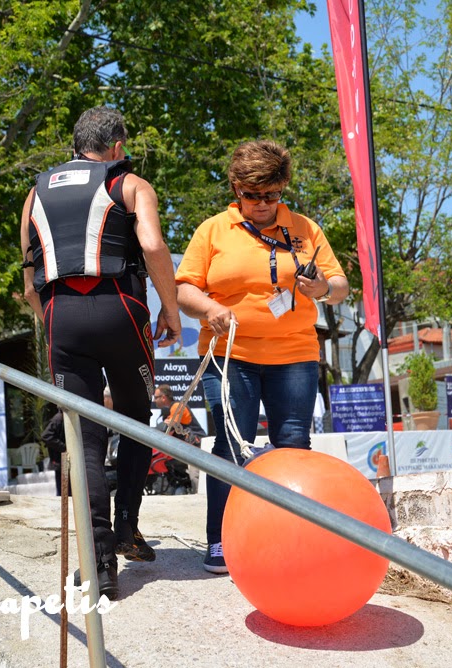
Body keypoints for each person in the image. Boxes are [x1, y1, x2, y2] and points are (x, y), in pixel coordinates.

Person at [20, 106, 180, 600]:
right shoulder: (129, 183)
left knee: (83, 438)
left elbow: (28, 283)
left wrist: (53, 325)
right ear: (116, 147)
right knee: (134, 418)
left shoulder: (34, 193)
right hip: (121, 309)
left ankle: (99, 564)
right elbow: (152, 246)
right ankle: (127, 524)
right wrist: (171, 309)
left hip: (60, 315)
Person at [175, 140, 349, 574]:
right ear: (236, 189)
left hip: (294, 354)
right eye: (251, 195)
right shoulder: (213, 230)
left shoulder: (305, 229)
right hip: (230, 354)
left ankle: (291, 538)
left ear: (282, 188)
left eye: (271, 195)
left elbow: (341, 285)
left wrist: (322, 288)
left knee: (294, 444)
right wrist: (210, 308)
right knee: (231, 445)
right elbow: (184, 290)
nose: (261, 204)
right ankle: (221, 539)